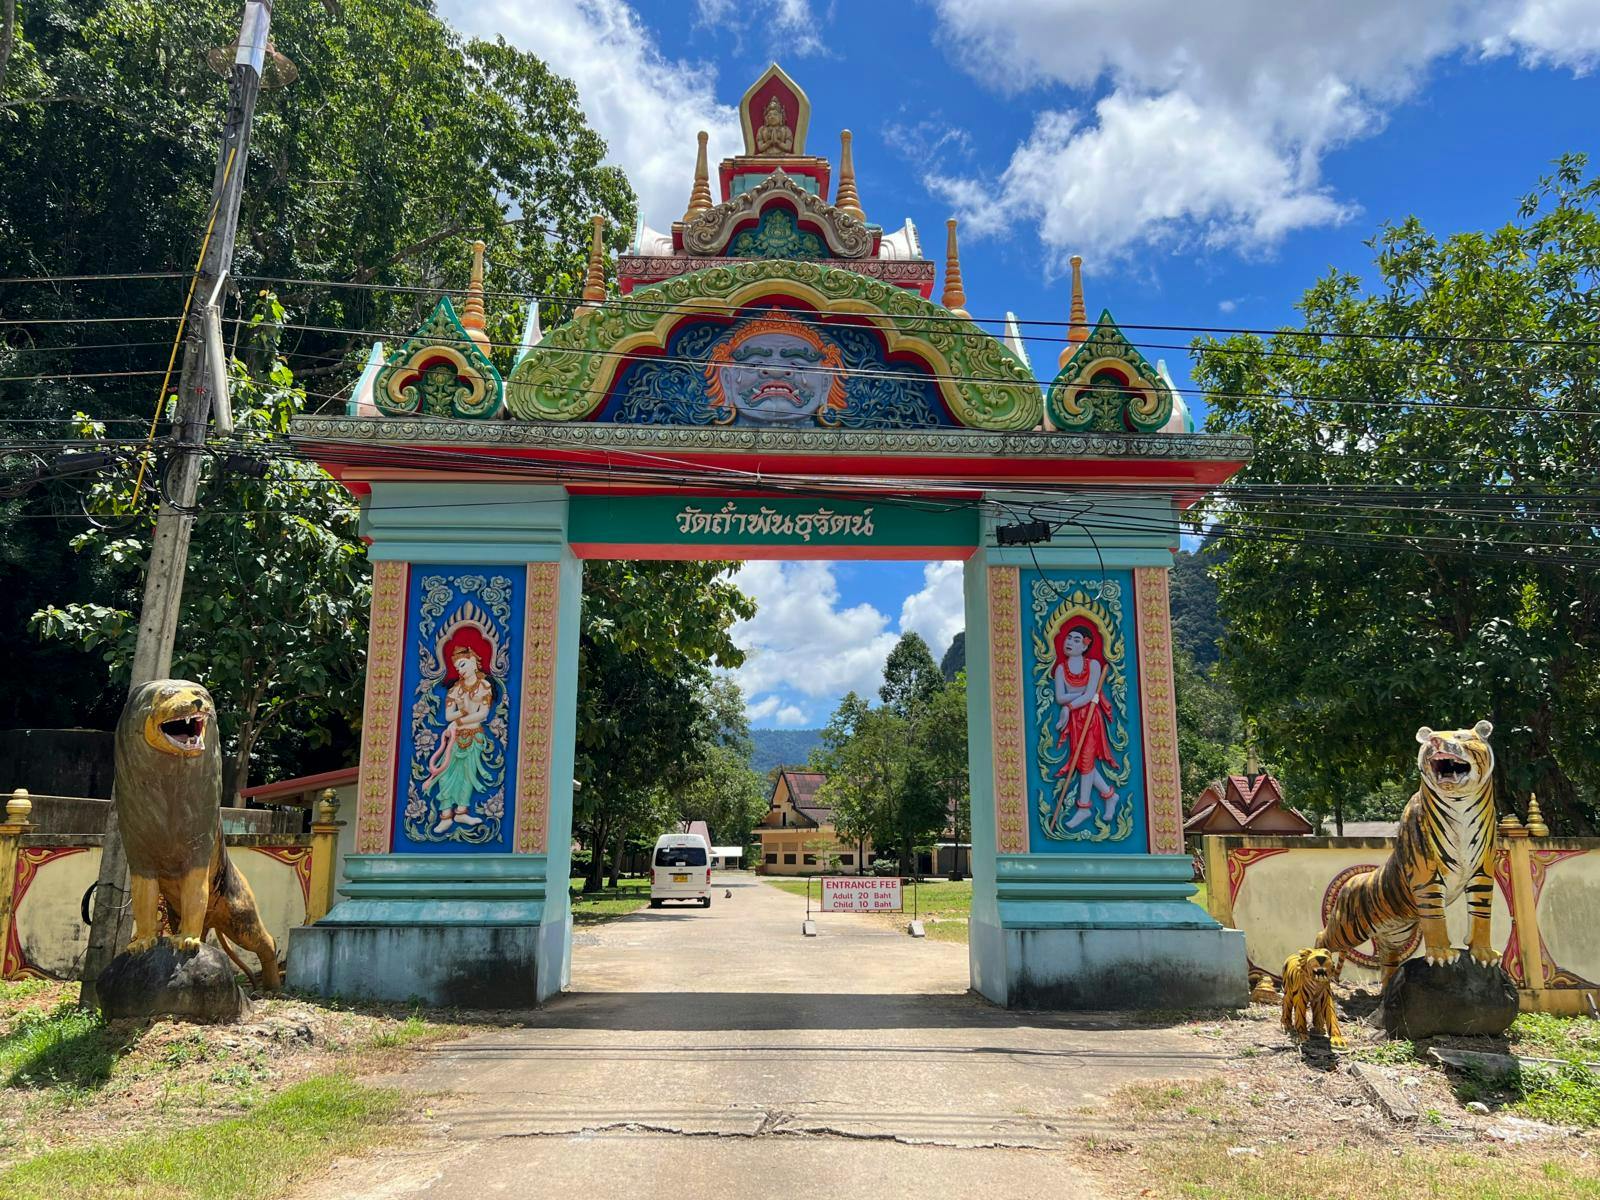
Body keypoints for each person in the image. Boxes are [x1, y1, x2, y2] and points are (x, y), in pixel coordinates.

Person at [422, 635, 495, 835]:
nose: (460, 670)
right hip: (455, 737)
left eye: (463, 664)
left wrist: (459, 720)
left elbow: (483, 714)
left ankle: (461, 811)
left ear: (473, 661)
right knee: (446, 775)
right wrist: (460, 715)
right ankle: (446, 815)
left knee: (467, 776)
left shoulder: (484, 686)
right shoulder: (455, 689)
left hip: (474, 737)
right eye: (457, 667)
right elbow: (448, 715)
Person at [1050, 621, 1119, 832]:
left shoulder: (1094, 666)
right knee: (1082, 763)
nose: (1070, 642)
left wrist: (1069, 705)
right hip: (1075, 719)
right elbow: (1060, 697)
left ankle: (1084, 807)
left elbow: (1091, 696)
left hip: (1090, 718)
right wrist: (1072, 704)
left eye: (1076, 640)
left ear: (1085, 646)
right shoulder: (1061, 669)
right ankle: (1110, 795)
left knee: (1086, 760)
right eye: (1069, 638)